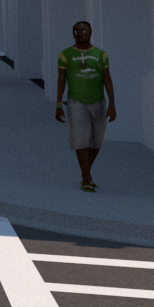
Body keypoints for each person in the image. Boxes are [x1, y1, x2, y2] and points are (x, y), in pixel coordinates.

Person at [55, 21, 115, 193]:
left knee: (96, 142)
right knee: (81, 141)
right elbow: (61, 80)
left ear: (90, 32)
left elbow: (107, 80)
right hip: (77, 102)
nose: (79, 33)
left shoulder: (100, 55)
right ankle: (85, 177)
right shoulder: (65, 54)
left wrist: (112, 104)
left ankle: (86, 173)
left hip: (98, 102)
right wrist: (59, 104)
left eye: (83, 30)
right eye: (76, 31)